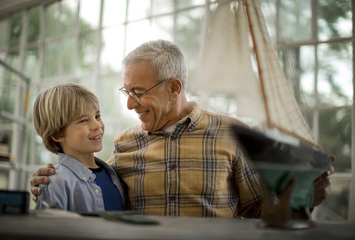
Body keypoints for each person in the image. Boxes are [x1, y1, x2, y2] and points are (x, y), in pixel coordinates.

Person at [30, 40, 333, 218]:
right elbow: (88, 181)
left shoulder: (233, 133)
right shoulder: (123, 145)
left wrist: (300, 199)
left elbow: (255, 211)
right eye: (127, 93)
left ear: (173, 87)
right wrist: (49, 177)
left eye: (138, 92)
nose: (130, 106)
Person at [33, 83, 126, 212]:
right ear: (57, 134)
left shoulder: (112, 175)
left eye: (97, 116)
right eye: (83, 120)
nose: (97, 125)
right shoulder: (56, 183)